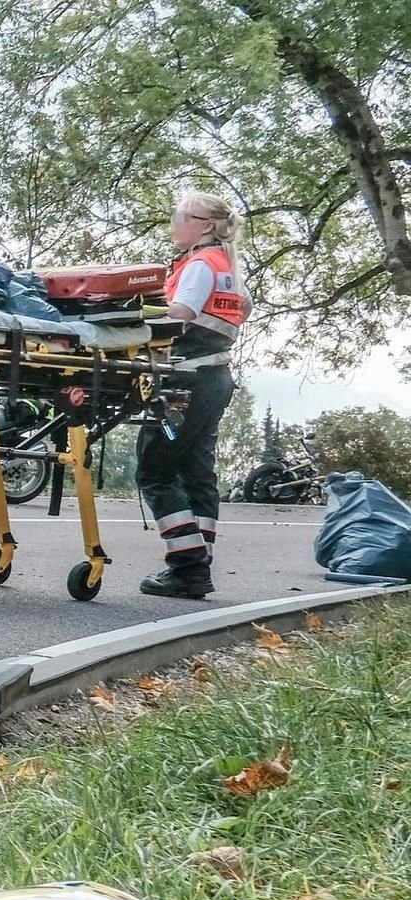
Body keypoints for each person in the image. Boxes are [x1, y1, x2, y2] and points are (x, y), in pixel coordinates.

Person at [139, 192, 251, 599]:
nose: (175, 223)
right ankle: (197, 564)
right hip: (214, 379)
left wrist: (127, 323)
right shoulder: (229, 268)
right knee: (197, 471)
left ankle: (187, 567)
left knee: (155, 471)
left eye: (180, 216)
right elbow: (243, 310)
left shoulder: (200, 265)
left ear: (204, 225)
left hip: (184, 384)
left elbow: (179, 315)